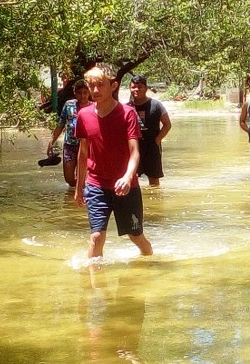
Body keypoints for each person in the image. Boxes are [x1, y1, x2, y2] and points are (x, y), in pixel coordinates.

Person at [75, 63, 153, 259]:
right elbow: (83, 153)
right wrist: (78, 188)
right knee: (96, 236)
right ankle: (93, 284)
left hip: (125, 186)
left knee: (135, 236)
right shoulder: (83, 115)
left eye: (100, 85)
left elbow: (135, 152)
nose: (95, 90)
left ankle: (150, 262)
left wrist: (128, 177)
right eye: (91, 85)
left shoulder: (127, 113)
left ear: (113, 86)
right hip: (96, 185)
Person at [127, 74, 172, 187]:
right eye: (133, 87)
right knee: (132, 178)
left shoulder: (156, 105)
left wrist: (157, 140)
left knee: (154, 181)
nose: (136, 90)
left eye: (140, 87)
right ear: (130, 88)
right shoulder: (127, 107)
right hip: (133, 147)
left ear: (146, 88)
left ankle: (155, 201)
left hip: (152, 147)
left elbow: (167, 124)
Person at [47, 78, 91, 187]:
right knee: (69, 179)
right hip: (70, 145)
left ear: (89, 93)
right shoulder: (69, 105)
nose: (82, 96)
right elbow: (61, 124)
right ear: (75, 93)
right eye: (79, 93)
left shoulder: (93, 106)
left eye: (85, 93)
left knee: (84, 178)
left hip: (87, 146)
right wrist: (51, 142)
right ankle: (76, 193)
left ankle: (80, 198)